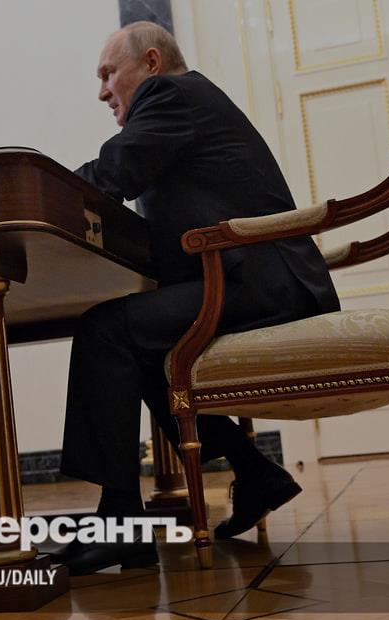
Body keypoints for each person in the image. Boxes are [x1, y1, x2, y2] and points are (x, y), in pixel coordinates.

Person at [58, 21, 339, 574]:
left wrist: (43, 195)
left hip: (262, 281)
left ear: (152, 62)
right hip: (253, 278)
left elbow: (116, 170)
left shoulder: (172, 93)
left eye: (109, 73)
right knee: (138, 348)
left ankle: (120, 524)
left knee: (106, 331)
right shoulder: (185, 102)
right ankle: (254, 473)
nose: (102, 92)